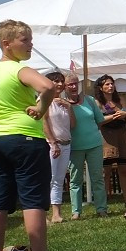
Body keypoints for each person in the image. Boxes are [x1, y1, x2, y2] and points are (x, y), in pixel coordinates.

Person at [0, 20, 58, 251]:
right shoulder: (19, 69)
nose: (30, 44)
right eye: (24, 40)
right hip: (24, 139)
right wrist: (40, 107)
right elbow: (48, 86)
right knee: (32, 200)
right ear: (7, 44)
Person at [64, 72, 108, 218]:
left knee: (97, 178)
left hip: (94, 144)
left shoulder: (90, 101)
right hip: (74, 147)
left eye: (76, 83)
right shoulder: (61, 103)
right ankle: (76, 211)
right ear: (64, 86)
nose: (74, 86)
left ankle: (101, 209)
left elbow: (100, 120)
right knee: (75, 180)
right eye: (70, 84)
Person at [42, 70, 75, 224]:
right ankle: (42, 214)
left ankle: (57, 214)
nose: (60, 84)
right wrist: (53, 142)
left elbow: (73, 125)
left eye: (62, 81)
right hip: (51, 145)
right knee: (49, 178)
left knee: (59, 179)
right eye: (56, 81)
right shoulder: (44, 100)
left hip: (66, 144)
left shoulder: (64, 103)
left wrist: (69, 107)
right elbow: (44, 123)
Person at [95, 74, 126, 204]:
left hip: (122, 135)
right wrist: (113, 117)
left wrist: (125, 114)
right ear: (100, 88)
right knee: (106, 172)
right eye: (107, 84)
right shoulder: (97, 103)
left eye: (112, 84)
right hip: (106, 138)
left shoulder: (120, 100)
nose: (110, 86)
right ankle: (103, 202)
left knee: (124, 169)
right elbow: (97, 121)